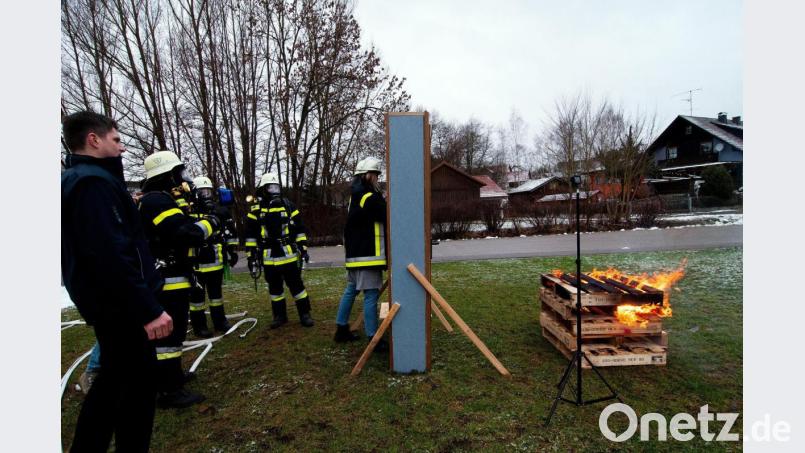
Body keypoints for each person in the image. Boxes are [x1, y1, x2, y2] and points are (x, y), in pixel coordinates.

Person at [62, 111, 172, 452]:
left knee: (120, 386)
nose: (122, 147)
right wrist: (148, 309)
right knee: (126, 390)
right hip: (121, 309)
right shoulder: (93, 184)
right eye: (117, 139)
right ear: (94, 140)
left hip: (112, 305)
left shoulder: (81, 180)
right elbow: (110, 255)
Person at [139, 151, 220, 408]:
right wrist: (212, 223)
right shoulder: (157, 201)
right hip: (167, 278)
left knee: (172, 333)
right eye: (178, 173)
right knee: (168, 337)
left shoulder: (162, 200)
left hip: (172, 274)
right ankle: (170, 390)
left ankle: (170, 377)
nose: (182, 178)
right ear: (167, 175)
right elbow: (185, 234)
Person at [244, 174, 314, 328]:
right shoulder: (255, 210)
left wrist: (303, 249)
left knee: (297, 286)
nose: (274, 190)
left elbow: (299, 229)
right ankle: (279, 316)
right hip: (268, 256)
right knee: (275, 289)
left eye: (276, 187)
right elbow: (250, 235)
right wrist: (251, 256)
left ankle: (305, 314)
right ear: (263, 190)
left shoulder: (288, 206)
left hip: (288, 254)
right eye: (271, 187)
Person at [333, 157, 388, 351]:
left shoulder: (356, 195)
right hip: (368, 256)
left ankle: (341, 328)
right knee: (371, 294)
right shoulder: (369, 197)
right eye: (374, 174)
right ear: (366, 176)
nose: (376, 178)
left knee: (351, 290)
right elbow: (387, 215)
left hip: (355, 256)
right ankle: (374, 339)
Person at [187, 176, 239, 337]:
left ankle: (220, 321)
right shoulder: (188, 211)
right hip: (196, 261)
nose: (206, 195)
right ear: (195, 194)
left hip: (216, 259)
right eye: (202, 192)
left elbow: (230, 231)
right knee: (197, 298)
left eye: (208, 191)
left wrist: (232, 250)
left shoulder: (219, 210)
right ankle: (199, 325)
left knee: (216, 295)